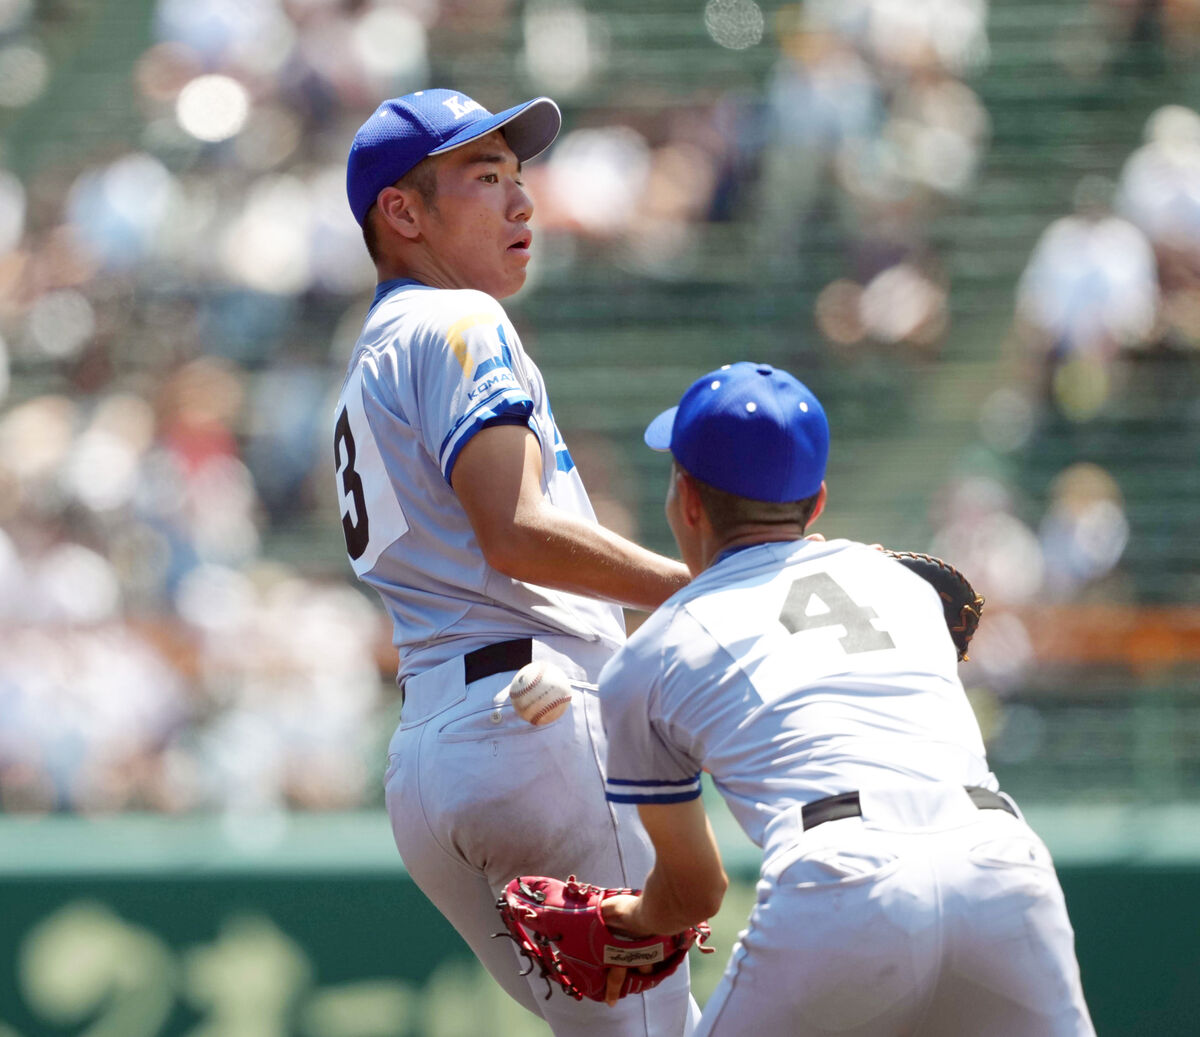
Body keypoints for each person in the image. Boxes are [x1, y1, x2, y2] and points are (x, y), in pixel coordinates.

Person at [332, 88, 699, 1036]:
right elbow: (517, 531)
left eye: (519, 176)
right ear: (402, 213)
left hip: (430, 758)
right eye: (485, 178)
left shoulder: (371, 358)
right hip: (532, 712)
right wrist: (703, 588)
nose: (522, 201)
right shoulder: (458, 321)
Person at [597, 362, 1096, 1036]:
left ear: (686, 499)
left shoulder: (651, 653)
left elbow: (694, 891)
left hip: (841, 877)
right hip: (1002, 862)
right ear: (819, 500)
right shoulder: (904, 585)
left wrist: (626, 919)